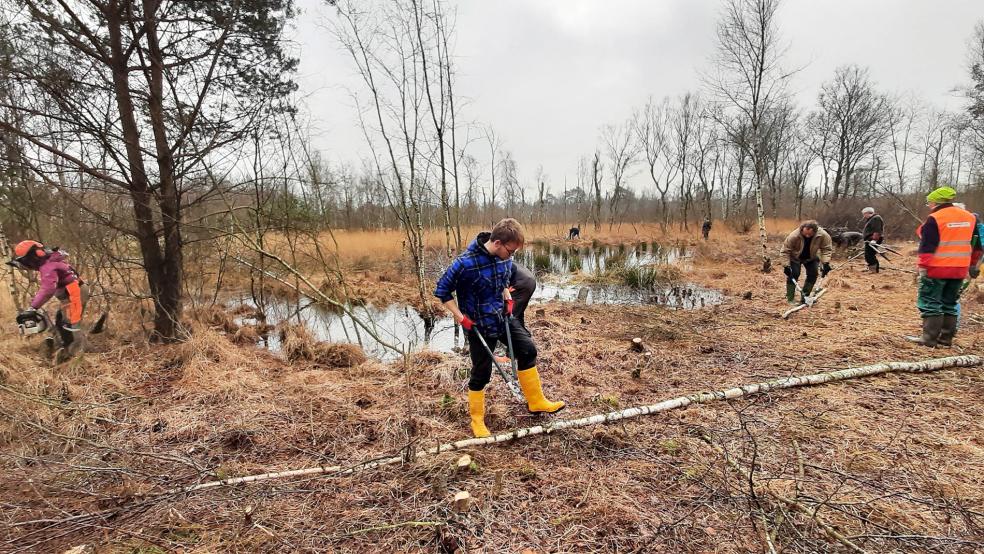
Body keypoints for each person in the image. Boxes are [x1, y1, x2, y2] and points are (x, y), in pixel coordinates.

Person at [434, 219, 565, 438]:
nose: (512, 256)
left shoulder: (504, 259)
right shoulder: (464, 264)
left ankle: (536, 402)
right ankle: (477, 421)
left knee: (527, 350)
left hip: (502, 316)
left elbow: (502, 279)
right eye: (510, 251)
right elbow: (442, 291)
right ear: (496, 243)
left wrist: (507, 296)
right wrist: (460, 318)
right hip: (478, 325)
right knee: (481, 373)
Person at [913, 187, 982, 347]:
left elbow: (927, 245)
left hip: (937, 267)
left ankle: (928, 339)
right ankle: (945, 340)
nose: (929, 205)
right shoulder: (970, 217)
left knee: (930, 301)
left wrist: (922, 267)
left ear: (935, 202)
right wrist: (973, 266)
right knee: (950, 302)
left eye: (929, 202)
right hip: (959, 268)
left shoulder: (935, 218)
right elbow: (977, 246)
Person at [8, 240, 89, 352]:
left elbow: (48, 289)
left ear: (32, 257)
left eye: (25, 261)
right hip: (73, 293)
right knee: (61, 320)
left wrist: (33, 307)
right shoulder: (50, 258)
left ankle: (75, 355)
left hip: (74, 294)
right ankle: (64, 347)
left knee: (70, 325)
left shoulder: (48, 266)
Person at [779, 221, 833, 305]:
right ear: (802, 230)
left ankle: (805, 297)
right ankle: (790, 298)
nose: (807, 236)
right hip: (795, 257)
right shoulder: (794, 235)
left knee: (813, 274)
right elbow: (785, 251)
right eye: (805, 234)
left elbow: (826, 249)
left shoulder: (823, 235)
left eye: (810, 234)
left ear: (815, 232)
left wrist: (825, 263)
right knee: (794, 274)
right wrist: (786, 266)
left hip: (811, 257)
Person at [861, 207, 884, 273]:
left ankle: (873, 269)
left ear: (868, 213)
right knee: (867, 254)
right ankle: (871, 268)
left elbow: (877, 230)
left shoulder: (876, 218)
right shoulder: (871, 219)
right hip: (869, 239)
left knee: (870, 254)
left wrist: (874, 239)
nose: (864, 216)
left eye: (864, 214)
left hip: (873, 239)